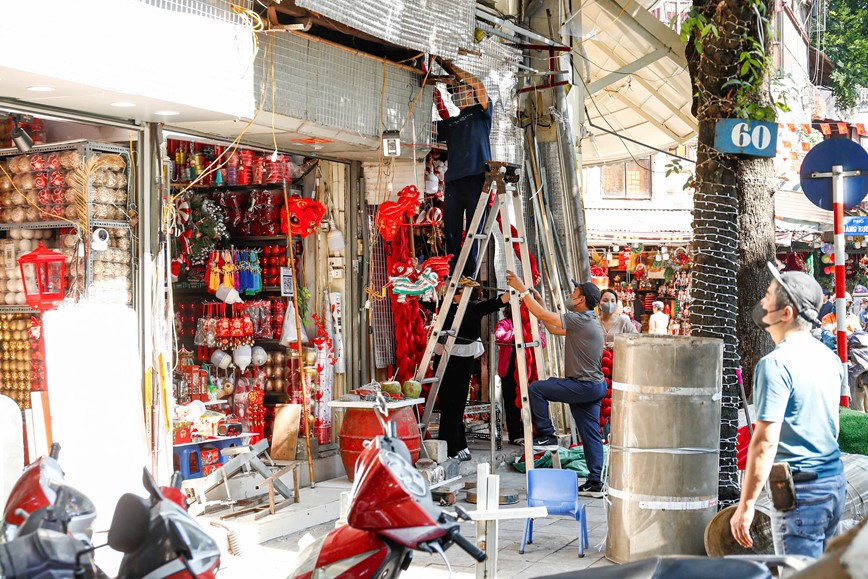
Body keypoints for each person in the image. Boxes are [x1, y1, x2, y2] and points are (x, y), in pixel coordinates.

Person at [730, 263, 846, 558]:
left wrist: (746, 505)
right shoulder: (829, 358)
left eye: (768, 296)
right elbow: (833, 426)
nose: (762, 302)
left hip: (801, 494)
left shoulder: (775, 364)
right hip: (833, 483)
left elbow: (765, 440)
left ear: (786, 312)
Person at [505, 270, 607, 498]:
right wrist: (538, 300)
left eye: (574, 292)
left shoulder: (580, 319)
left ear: (581, 300)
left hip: (584, 386)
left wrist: (522, 289)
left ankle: (547, 435)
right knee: (591, 436)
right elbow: (551, 327)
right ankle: (595, 482)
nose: (571, 295)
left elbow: (543, 315)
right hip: (593, 387)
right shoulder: (586, 321)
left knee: (537, 389)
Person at [421, 283, 509, 461]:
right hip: (444, 356)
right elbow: (427, 301)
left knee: (457, 404)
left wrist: (514, 291)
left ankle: (456, 446)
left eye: (458, 293)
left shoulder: (474, 307)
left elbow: (496, 302)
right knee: (447, 403)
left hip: (462, 359)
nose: (454, 296)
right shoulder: (446, 305)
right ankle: (453, 445)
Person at [434, 58, 491, 285]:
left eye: (461, 89)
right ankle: (452, 271)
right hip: (454, 180)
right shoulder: (450, 123)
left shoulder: (481, 112)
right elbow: (427, 128)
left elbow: (477, 83)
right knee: (451, 227)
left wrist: (451, 69)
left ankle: (468, 273)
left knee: (474, 227)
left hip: (478, 177)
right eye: (456, 91)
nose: (459, 92)